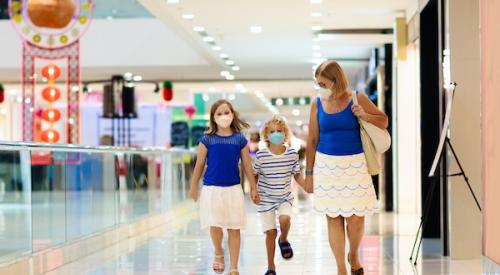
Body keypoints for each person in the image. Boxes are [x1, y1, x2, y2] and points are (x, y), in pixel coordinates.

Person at [304, 60, 388, 275]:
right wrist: (309, 174)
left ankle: (353, 255)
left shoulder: (356, 97)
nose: (320, 88)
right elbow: (312, 140)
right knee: (333, 217)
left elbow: (383, 121)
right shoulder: (317, 104)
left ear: (336, 80)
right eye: (318, 84)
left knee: (356, 218)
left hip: (355, 165)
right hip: (326, 166)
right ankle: (341, 267)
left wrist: (363, 115)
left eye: (323, 83)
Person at [189, 99, 260, 275]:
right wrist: (193, 187)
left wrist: (253, 187)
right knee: (215, 225)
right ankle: (219, 252)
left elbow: (247, 165)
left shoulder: (239, 140)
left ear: (232, 114)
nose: (223, 116)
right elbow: (199, 165)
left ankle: (234, 267)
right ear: (213, 117)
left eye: (226, 112)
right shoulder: (207, 140)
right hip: (211, 189)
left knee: (234, 228)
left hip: (234, 189)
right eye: (219, 113)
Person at [253, 116, 306, 275]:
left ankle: (283, 239)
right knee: (270, 233)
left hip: (284, 196)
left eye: (279, 131)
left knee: (285, 219)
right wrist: (253, 191)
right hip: (266, 198)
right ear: (266, 135)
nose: (276, 134)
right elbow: (254, 175)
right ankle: (271, 266)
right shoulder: (261, 155)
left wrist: (307, 186)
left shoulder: (291, 154)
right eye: (272, 131)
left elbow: (296, 175)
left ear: (285, 133)